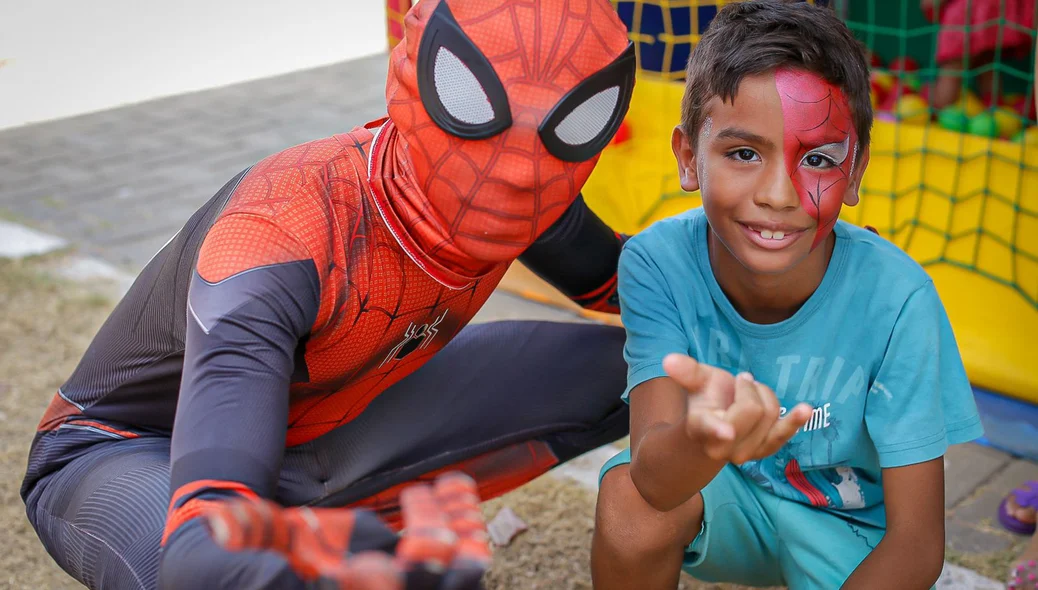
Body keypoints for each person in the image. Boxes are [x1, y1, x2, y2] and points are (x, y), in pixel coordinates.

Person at [20, 1, 638, 588]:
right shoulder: (281, 231)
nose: (514, 173)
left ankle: (320, 524)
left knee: (664, 365)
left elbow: (661, 291)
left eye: (566, 126)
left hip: (324, 430)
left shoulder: (534, 202)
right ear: (413, 84)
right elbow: (203, 545)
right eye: (476, 108)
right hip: (126, 452)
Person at [589, 2, 985, 589]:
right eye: (744, 153)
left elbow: (917, 544)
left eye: (819, 159)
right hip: (729, 502)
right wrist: (704, 439)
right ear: (686, 157)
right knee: (626, 504)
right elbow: (651, 484)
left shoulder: (900, 299)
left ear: (854, 174)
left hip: (850, 537)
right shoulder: (656, 263)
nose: (779, 194)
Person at [921, 0, 1036, 110]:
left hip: (963, 15)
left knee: (953, 67)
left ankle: (939, 105)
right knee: (988, 63)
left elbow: (930, 3)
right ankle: (993, 107)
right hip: (994, 13)